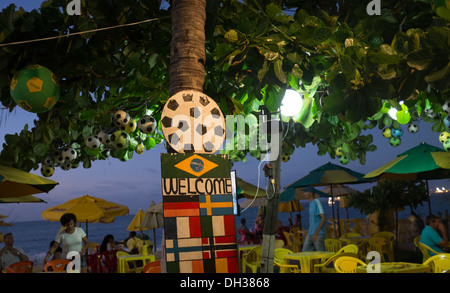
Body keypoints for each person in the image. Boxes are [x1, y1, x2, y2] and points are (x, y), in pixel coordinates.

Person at [302, 187, 326, 251]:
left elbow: (323, 218)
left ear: (311, 194)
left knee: (322, 255)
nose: (304, 193)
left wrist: (316, 233)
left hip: (318, 234)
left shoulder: (316, 202)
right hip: (310, 233)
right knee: (305, 253)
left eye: (305, 192)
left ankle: (330, 261)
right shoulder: (311, 203)